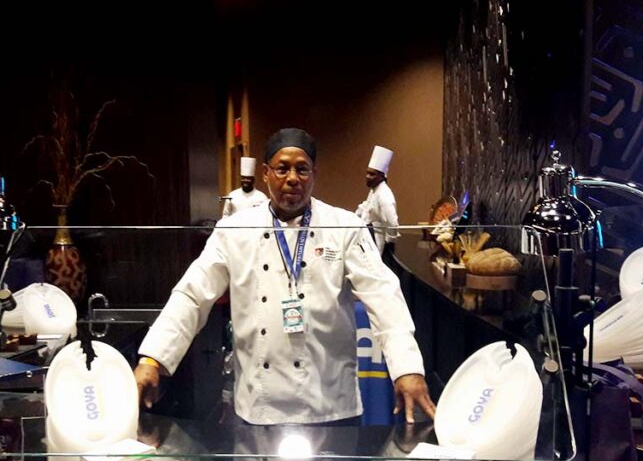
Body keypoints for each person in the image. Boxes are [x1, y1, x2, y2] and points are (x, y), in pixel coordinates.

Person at [135, 128, 435, 425]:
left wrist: (407, 368)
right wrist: (153, 358)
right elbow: (192, 295)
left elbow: (384, 296)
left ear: (314, 174)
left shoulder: (344, 226)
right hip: (258, 405)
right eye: (282, 168)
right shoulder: (233, 229)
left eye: (302, 169)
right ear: (266, 173)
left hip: (330, 404)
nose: (292, 178)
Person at [355, 145, 400, 254]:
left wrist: (389, 244)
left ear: (381, 176)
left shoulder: (384, 195)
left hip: (377, 241)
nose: (367, 176)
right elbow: (364, 207)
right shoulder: (374, 190)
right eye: (367, 173)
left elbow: (393, 224)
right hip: (367, 237)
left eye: (372, 174)